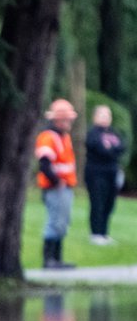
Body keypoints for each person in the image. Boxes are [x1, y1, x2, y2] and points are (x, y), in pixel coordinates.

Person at [36, 98, 79, 269]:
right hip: (55, 187)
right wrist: (56, 180)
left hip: (65, 186)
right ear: (58, 120)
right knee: (54, 222)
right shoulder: (48, 137)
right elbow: (44, 164)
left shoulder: (64, 137)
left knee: (63, 222)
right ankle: (49, 260)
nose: (69, 122)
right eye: (67, 119)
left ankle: (57, 259)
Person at [85, 104, 126, 245]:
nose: (105, 118)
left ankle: (104, 232)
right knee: (98, 202)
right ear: (95, 117)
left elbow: (122, 147)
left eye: (108, 115)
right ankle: (95, 233)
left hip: (112, 172)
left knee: (109, 203)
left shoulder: (114, 133)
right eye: (102, 115)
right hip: (96, 173)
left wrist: (111, 149)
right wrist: (110, 150)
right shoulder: (93, 133)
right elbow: (100, 149)